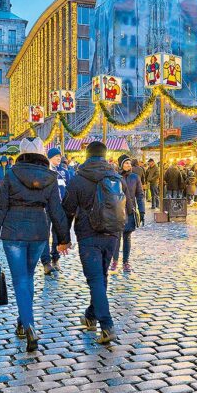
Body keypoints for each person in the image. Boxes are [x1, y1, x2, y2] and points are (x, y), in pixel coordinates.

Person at [0, 137, 70, 352]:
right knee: (29, 276)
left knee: (20, 279)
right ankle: (23, 321)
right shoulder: (50, 177)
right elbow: (56, 210)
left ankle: (30, 326)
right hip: (38, 233)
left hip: (14, 233)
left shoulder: (11, 174)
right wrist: (63, 238)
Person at [62, 141, 128, 344]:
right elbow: (126, 204)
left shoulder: (78, 179)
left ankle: (107, 326)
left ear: (87, 156)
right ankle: (91, 316)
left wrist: (63, 239)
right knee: (101, 277)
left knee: (95, 280)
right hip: (112, 234)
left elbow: (68, 210)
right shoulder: (116, 177)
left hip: (88, 235)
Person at [111, 154, 145, 273]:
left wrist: (142, 211)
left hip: (130, 211)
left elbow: (140, 195)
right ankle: (114, 260)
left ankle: (126, 262)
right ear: (121, 164)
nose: (129, 165)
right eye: (126, 163)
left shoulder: (135, 177)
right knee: (116, 237)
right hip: (118, 212)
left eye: (130, 163)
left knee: (127, 237)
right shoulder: (115, 177)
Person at [40, 148, 70, 275]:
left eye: (60, 156)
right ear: (50, 157)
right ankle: (46, 262)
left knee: (57, 233)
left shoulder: (64, 172)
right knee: (45, 234)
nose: (59, 158)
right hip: (46, 207)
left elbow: (67, 189)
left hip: (59, 207)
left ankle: (55, 259)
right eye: (56, 156)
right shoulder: (44, 171)